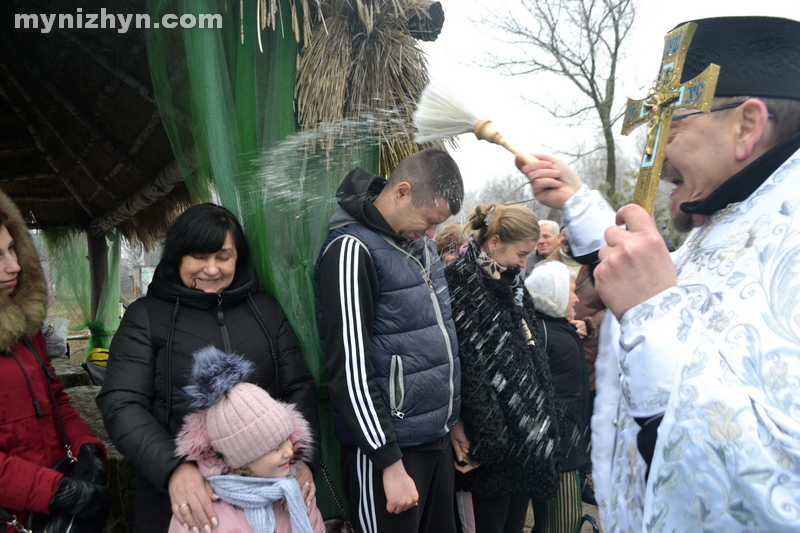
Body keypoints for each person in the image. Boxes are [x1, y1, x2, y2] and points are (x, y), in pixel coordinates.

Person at [516, 16, 800, 532]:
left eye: (672, 121)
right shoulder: (734, 220)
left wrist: (652, 312)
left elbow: (776, 496)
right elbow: (677, 285)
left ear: (747, 125)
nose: (653, 150)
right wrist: (578, 203)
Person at [97, 204, 320, 533]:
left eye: (223, 256)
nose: (211, 269)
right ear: (177, 257)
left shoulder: (266, 311)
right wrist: (173, 469)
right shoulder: (146, 317)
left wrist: (301, 459)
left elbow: (297, 386)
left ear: (238, 258)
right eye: (199, 257)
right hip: (183, 499)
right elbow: (121, 402)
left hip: (270, 491)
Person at [314, 148, 463, 533]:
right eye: (428, 221)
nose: (432, 234)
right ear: (401, 191)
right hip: (389, 452)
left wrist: (453, 419)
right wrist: (388, 462)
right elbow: (349, 372)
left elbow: (441, 338)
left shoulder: (421, 244)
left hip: (436, 439)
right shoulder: (351, 250)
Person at [445, 203, 561, 533]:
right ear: (494, 242)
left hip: (522, 446)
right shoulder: (461, 282)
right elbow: (470, 367)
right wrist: (487, 443)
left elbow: (533, 356)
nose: (525, 264)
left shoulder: (511, 284)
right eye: (521, 253)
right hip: (487, 452)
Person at [0, 190, 109, 532]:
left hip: (52, 509)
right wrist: (54, 491)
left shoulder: (23, 326)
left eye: (11, 248)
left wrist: (86, 445)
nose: (13, 265)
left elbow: (55, 397)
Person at [167, 346, 325, 533]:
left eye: (286, 439)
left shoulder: (295, 493)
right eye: (275, 447)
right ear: (241, 462)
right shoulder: (203, 513)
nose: (289, 451)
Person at [525, 261, 591, 533]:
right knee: (561, 526)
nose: (576, 298)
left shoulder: (554, 328)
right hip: (558, 453)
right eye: (572, 291)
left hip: (563, 448)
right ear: (555, 295)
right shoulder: (546, 333)